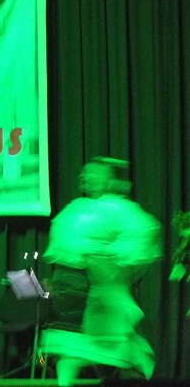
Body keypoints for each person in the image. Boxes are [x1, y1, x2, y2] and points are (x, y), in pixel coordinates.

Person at [41, 157, 161, 386]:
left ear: (108, 179)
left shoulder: (119, 207)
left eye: (96, 174)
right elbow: (62, 243)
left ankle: (152, 376)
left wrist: (111, 255)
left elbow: (144, 233)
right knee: (70, 351)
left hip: (104, 289)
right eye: (87, 174)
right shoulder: (75, 209)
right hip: (76, 289)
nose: (89, 178)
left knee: (124, 346)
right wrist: (84, 253)